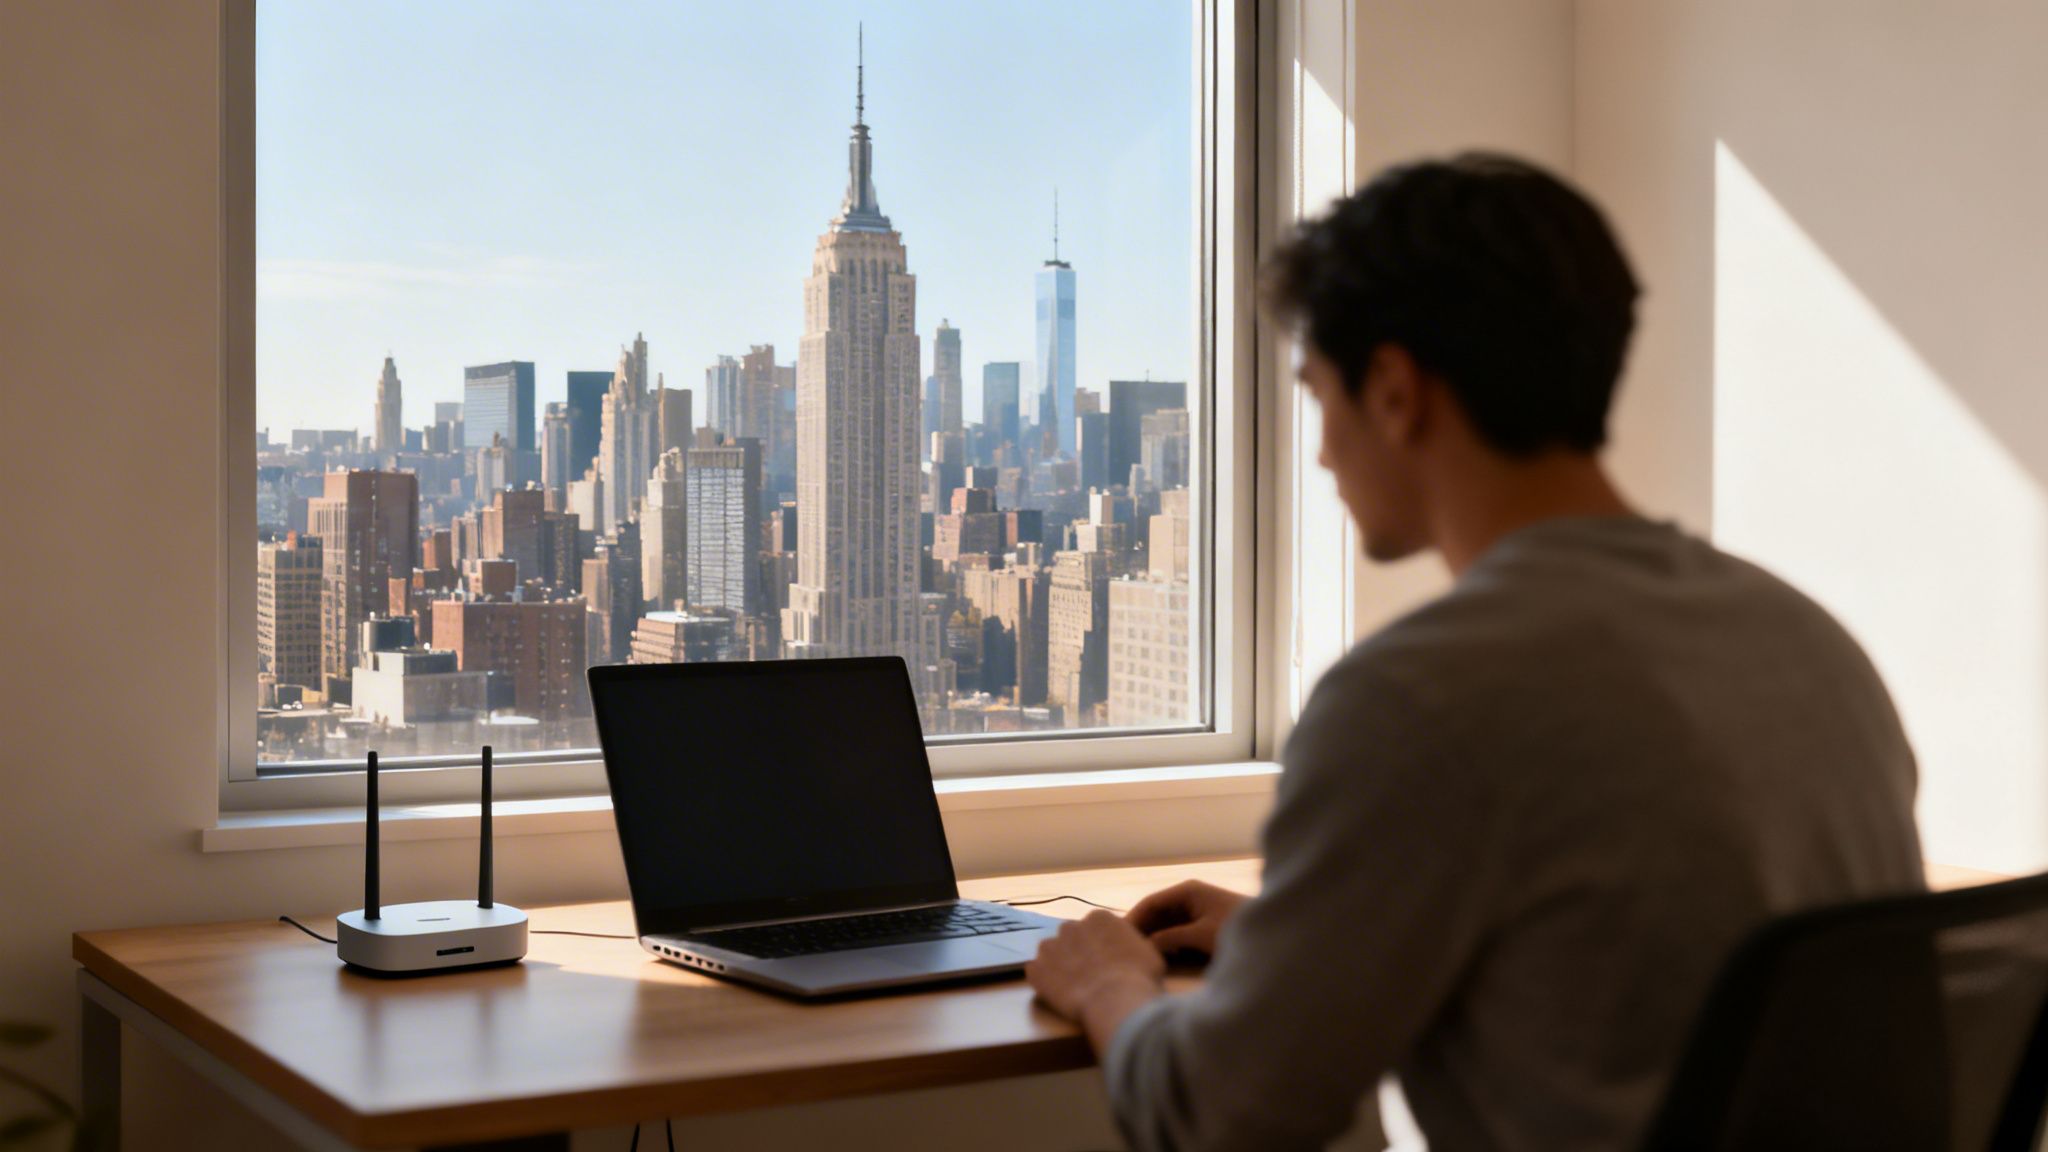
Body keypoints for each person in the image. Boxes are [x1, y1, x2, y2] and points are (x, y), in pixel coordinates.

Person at [1023, 153, 1925, 1152]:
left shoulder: (1415, 700)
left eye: (1317, 392)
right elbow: (1645, 958)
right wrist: (1314, 944)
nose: (1319, 450)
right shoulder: (1807, 642)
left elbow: (1210, 1118)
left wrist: (1108, 983)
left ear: (1395, 391)